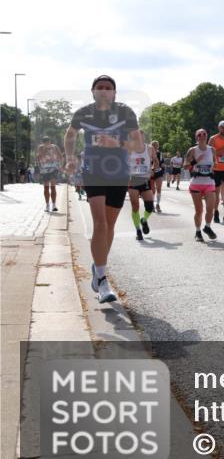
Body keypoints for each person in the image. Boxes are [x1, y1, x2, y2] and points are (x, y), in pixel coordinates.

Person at [64, 75, 143, 304]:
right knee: (99, 223)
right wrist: (70, 158)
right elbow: (70, 134)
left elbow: (138, 145)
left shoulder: (125, 112)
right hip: (94, 171)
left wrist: (116, 143)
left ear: (115, 93)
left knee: (109, 226)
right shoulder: (83, 113)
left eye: (109, 88)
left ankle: (98, 267)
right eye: (100, 87)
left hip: (119, 173)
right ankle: (102, 279)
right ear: (92, 91)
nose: (104, 91)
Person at [184, 129, 218, 242]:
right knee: (199, 211)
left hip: (209, 182)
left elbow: (216, 163)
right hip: (196, 183)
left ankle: (207, 227)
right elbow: (185, 166)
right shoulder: (192, 150)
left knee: (210, 209)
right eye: (199, 135)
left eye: (204, 134)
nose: (202, 136)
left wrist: (214, 167)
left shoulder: (212, 150)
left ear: (207, 136)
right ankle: (198, 231)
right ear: (196, 137)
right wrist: (195, 161)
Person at [126, 131, 158, 241]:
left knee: (149, 207)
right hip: (133, 180)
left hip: (145, 180)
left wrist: (154, 169)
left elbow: (156, 161)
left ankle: (144, 220)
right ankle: (138, 230)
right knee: (135, 206)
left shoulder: (149, 148)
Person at [35, 136, 63, 212]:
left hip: (53, 169)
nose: (47, 143)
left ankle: (54, 205)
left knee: (53, 187)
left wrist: (60, 166)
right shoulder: (40, 147)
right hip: (44, 170)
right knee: (46, 188)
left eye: (48, 141)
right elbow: (38, 157)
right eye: (45, 142)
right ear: (43, 142)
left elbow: (60, 156)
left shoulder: (55, 147)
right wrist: (44, 150)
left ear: (50, 141)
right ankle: (47, 205)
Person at [149, 140, 165, 212]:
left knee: (159, 188)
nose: (155, 147)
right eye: (153, 145)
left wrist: (162, 166)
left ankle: (157, 204)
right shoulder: (148, 153)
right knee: (152, 190)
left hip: (159, 172)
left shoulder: (159, 153)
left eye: (156, 145)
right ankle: (152, 204)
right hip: (151, 173)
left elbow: (162, 163)